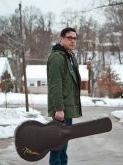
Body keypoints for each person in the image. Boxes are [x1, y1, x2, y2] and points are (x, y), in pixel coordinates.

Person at [47, 27, 82, 165]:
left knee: (63, 146)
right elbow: (55, 85)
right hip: (61, 111)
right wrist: (59, 109)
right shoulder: (57, 58)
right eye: (69, 38)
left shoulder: (70, 57)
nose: (73, 40)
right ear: (61, 39)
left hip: (67, 109)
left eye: (74, 38)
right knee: (57, 147)